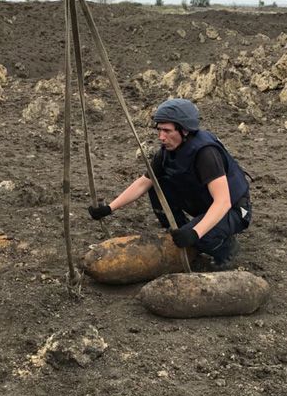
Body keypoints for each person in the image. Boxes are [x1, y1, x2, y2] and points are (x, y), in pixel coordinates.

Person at [88, 98, 251, 270]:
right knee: (158, 184)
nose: (161, 137)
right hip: (203, 202)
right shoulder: (166, 152)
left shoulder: (206, 154)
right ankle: (180, 230)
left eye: (167, 131)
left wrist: (195, 233)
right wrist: (109, 208)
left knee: (201, 238)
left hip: (234, 209)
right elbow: (143, 183)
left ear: (185, 130)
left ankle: (226, 249)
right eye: (159, 130)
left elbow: (223, 201)